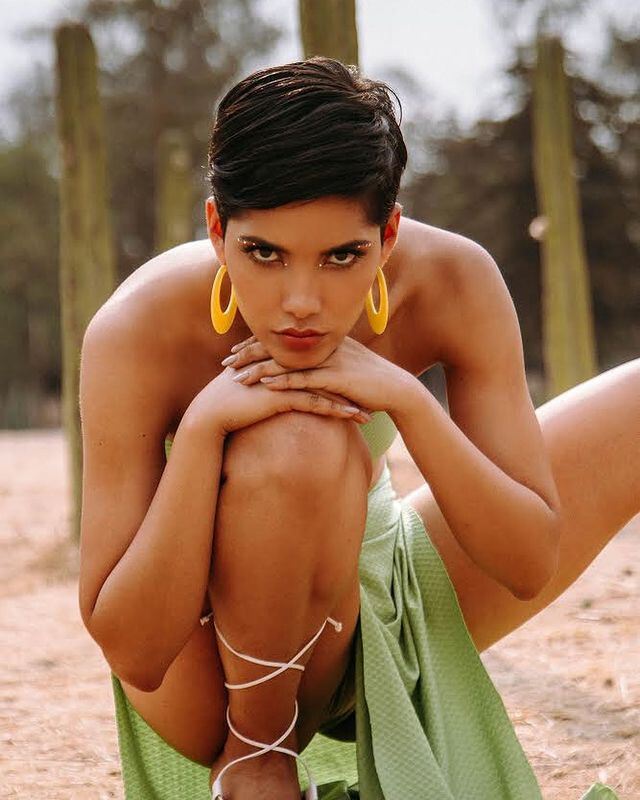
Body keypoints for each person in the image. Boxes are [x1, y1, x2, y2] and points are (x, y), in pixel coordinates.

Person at [77, 57, 636, 800]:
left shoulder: (452, 281)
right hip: (202, 659)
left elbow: (529, 560)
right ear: (217, 229)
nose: (301, 301)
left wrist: (406, 399)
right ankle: (260, 757)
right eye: (264, 253)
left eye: (343, 256)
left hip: (376, 593)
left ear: (389, 232)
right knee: (297, 438)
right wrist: (206, 428)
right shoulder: (137, 329)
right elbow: (135, 652)